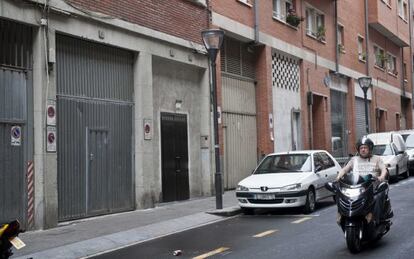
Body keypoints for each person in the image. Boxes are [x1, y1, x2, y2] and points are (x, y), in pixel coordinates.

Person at [336, 136, 393, 221]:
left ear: (370, 149)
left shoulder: (377, 159)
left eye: (365, 148)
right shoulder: (354, 159)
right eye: (361, 148)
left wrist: (381, 177)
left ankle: (374, 217)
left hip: (373, 186)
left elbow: (383, 169)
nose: (363, 149)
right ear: (358, 149)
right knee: (342, 194)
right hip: (358, 187)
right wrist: (338, 177)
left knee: (378, 196)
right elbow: (344, 169)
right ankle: (341, 214)